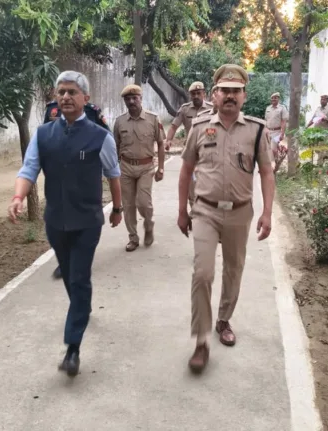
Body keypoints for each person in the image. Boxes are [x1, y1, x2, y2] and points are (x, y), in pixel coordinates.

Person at [8, 71, 123, 377]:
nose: (66, 97)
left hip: (87, 222)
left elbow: (113, 174)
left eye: (72, 92)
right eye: (61, 92)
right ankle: (82, 308)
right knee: (71, 278)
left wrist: (118, 208)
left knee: (79, 278)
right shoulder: (43, 135)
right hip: (56, 222)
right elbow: (29, 169)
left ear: (86, 98)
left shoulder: (100, 136)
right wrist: (18, 197)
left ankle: (73, 348)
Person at [177, 64, 276, 373]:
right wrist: (181, 210)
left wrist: (267, 212)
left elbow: (267, 172)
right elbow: (186, 169)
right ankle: (201, 340)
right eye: (225, 91)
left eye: (236, 91)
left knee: (233, 270)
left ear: (244, 95)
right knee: (202, 273)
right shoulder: (199, 127)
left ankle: (223, 320)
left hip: (239, 212)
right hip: (205, 210)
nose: (230, 96)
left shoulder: (256, 130)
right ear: (215, 94)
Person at [43, 91, 111, 280]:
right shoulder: (51, 109)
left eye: (72, 90)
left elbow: (106, 137)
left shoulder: (92, 111)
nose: (67, 96)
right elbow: (46, 140)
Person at [114, 84, 165, 252]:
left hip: (146, 167)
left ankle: (149, 224)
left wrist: (161, 168)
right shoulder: (120, 121)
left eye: (134, 98)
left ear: (141, 99)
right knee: (128, 205)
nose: (131, 101)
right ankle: (133, 238)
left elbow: (160, 143)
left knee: (143, 203)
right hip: (126, 168)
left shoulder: (153, 119)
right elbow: (115, 146)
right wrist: (114, 168)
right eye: (127, 99)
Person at [164, 82, 214, 214]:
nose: (196, 96)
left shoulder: (213, 109)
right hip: (191, 153)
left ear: (204, 94)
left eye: (198, 93)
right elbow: (174, 126)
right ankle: (195, 211)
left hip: (208, 152)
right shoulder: (184, 109)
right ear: (190, 95)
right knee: (191, 184)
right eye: (193, 94)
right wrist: (168, 140)